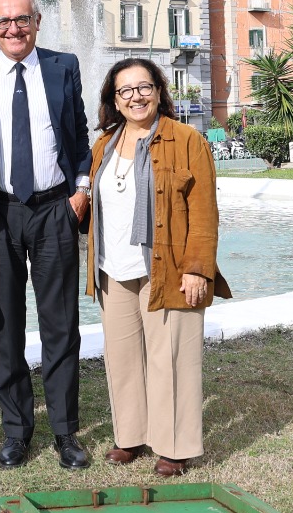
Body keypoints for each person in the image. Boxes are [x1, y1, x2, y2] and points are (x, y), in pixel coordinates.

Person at [0, 0, 92, 470]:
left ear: (37, 21)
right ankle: (16, 430)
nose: (12, 29)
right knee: (5, 327)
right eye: (3, 22)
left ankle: (65, 433)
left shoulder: (64, 67)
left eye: (21, 20)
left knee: (61, 325)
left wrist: (82, 192)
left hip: (55, 209)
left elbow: (80, 136)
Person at [84, 57, 229, 477]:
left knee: (172, 358)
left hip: (167, 267)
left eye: (143, 87)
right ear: (114, 99)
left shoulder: (186, 140)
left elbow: (204, 211)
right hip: (114, 269)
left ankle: (174, 445)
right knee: (123, 357)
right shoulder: (105, 146)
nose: (136, 97)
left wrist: (198, 269)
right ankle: (130, 435)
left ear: (159, 90)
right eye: (125, 90)